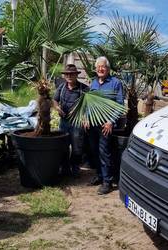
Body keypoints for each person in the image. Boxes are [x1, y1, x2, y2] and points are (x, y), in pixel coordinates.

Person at [88, 56, 124, 195]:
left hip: (105, 124)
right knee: (94, 151)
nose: (100, 69)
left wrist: (110, 121)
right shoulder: (93, 83)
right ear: (96, 69)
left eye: (103, 66)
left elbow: (120, 104)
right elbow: (89, 102)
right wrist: (86, 116)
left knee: (104, 153)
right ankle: (99, 175)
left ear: (108, 69)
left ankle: (107, 182)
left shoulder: (115, 83)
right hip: (92, 124)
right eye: (98, 67)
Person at [53, 64, 89, 176]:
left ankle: (75, 168)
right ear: (64, 76)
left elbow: (89, 105)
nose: (69, 76)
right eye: (67, 74)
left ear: (76, 75)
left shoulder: (84, 89)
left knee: (77, 147)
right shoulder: (61, 87)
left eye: (71, 74)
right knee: (63, 146)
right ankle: (64, 168)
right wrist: (58, 108)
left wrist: (85, 117)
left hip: (77, 123)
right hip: (64, 122)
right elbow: (55, 100)